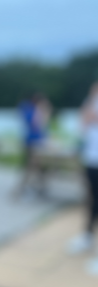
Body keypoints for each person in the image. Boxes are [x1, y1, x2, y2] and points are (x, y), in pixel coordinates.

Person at [67, 80, 98, 274]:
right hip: (92, 158)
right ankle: (87, 236)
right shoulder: (91, 101)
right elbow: (82, 125)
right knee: (93, 199)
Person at [14, 93, 51, 199]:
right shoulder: (30, 110)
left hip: (37, 143)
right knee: (30, 166)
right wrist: (44, 112)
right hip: (32, 143)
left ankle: (40, 188)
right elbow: (36, 125)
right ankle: (20, 190)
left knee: (39, 167)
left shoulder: (30, 109)